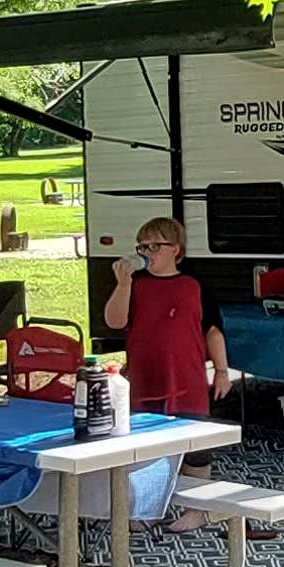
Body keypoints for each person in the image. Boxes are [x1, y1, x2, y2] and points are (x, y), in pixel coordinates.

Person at [101, 216, 233, 524]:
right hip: (144, 376)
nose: (146, 252)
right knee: (140, 445)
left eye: (153, 246)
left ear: (175, 249)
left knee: (195, 445)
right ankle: (138, 509)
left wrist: (223, 371)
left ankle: (197, 509)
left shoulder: (193, 285)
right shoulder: (136, 284)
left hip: (187, 377)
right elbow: (115, 321)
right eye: (142, 246)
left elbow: (212, 330)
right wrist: (123, 285)